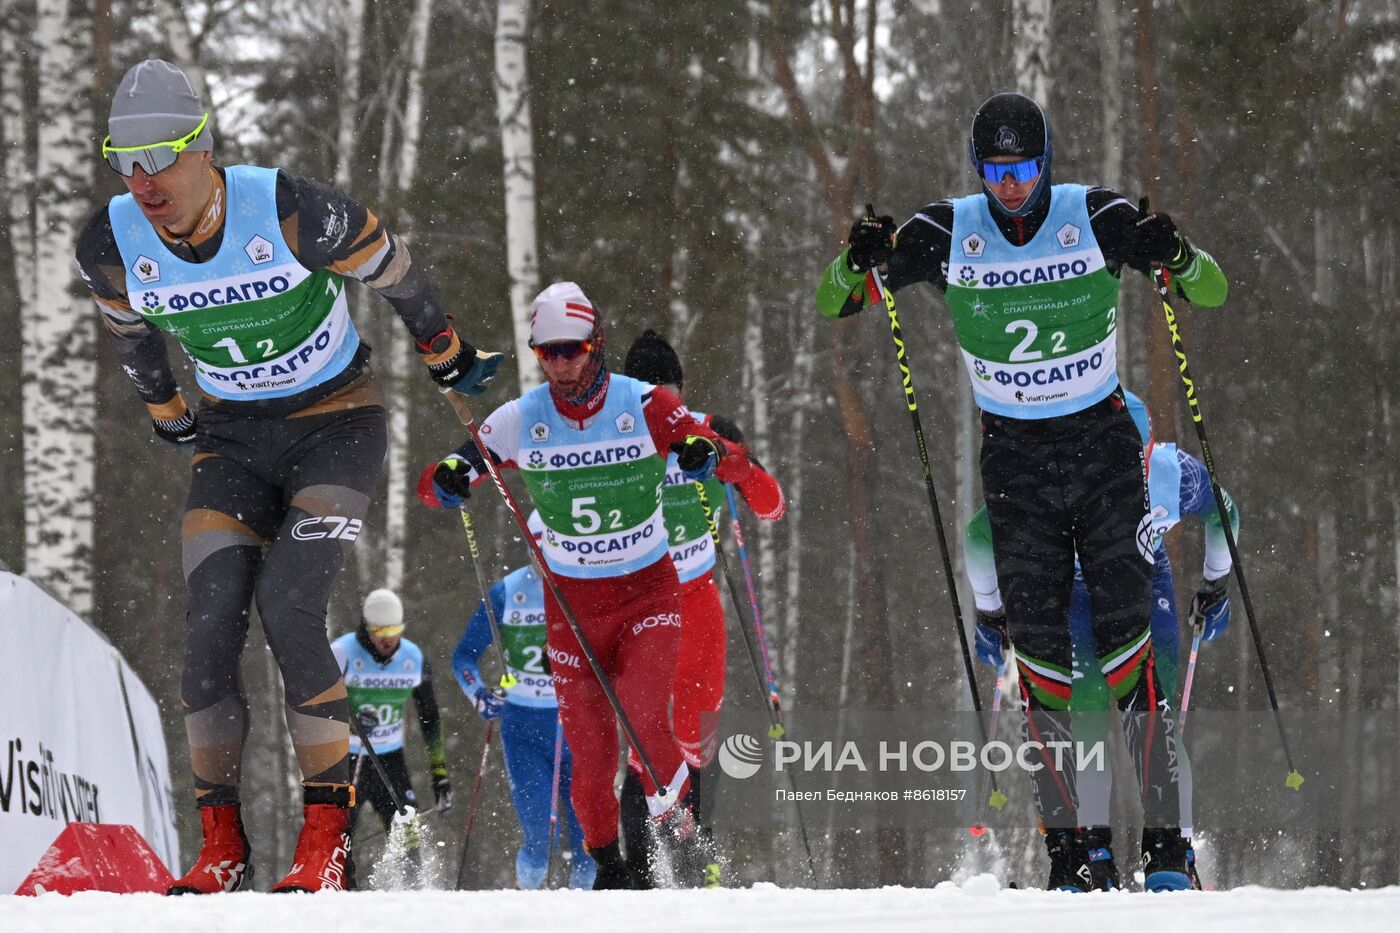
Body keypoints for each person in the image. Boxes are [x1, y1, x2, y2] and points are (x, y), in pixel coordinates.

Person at [75, 60, 501, 894]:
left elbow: (398, 270)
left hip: (336, 426)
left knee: (290, 604)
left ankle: (326, 844)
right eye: (124, 159)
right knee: (207, 632)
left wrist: (443, 346)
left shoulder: (288, 208)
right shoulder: (111, 242)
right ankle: (224, 845)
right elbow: (130, 336)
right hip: (233, 440)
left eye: (160, 154)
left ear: (204, 147)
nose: (143, 179)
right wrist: (164, 408)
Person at [814, 91, 1228, 891]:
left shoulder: (1096, 213)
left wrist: (1175, 254)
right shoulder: (944, 231)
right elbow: (840, 300)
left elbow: (1208, 291)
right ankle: (1078, 852)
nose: (1012, 185)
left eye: (1026, 167)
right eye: (998, 170)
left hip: (1105, 451)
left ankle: (1170, 846)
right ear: (980, 168)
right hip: (1016, 461)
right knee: (1040, 660)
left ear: (1048, 163)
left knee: (1125, 645)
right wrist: (855, 255)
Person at [418, 281, 757, 889]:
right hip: (572, 606)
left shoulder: (642, 401)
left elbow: (694, 440)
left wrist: (705, 454)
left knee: (643, 709)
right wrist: (446, 478)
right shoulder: (524, 417)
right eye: (546, 352)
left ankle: (681, 832)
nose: (560, 364)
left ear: (596, 345)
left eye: (570, 349)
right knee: (591, 757)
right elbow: (452, 468)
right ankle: (610, 867)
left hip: (648, 591)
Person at [965, 390, 1239, 890]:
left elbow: (980, 537)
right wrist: (1215, 585)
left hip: (1074, 591)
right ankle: (1169, 856)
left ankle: (1090, 857)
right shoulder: (1167, 465)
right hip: (1132, 584)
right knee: (1150, 711)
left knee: (1088, 722)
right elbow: (1225, 512)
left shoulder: (1076, 466)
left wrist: (992, 613)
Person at [617, 329, 786, 887]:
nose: (662, 411)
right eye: (648, 398)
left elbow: (771, 504)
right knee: (644, 742)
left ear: (682, 390)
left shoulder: (710, 430)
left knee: (697, 736)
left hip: (697, 600)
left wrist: (728, 465)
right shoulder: (611, 436)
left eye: (668, 395)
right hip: (639, 605)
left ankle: (697, 859)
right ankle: (638, 874)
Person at [452, 511, 596, 889]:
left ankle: (593, 916)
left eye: (552, 549)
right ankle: (528, 913)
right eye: (537, 549)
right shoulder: (507, 592)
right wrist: (479, 694)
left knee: (589, 839)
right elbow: (463, 655)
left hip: (577, 725)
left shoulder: (585, 587)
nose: (544, 558)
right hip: (523, 728)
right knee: (538, 837)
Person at [331, 590, 453, 842]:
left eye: (394, 631)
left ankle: (412, 881)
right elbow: (314, 709)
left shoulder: (413, 658)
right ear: (367, 628)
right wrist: (347, 722)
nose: (388, 640)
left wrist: (439, 773)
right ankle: (339, 881)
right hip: (346, 760)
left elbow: (429, 717)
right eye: (380, 632)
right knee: (338, 838)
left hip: (390, 760)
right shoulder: (342, 653)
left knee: (409, 836)